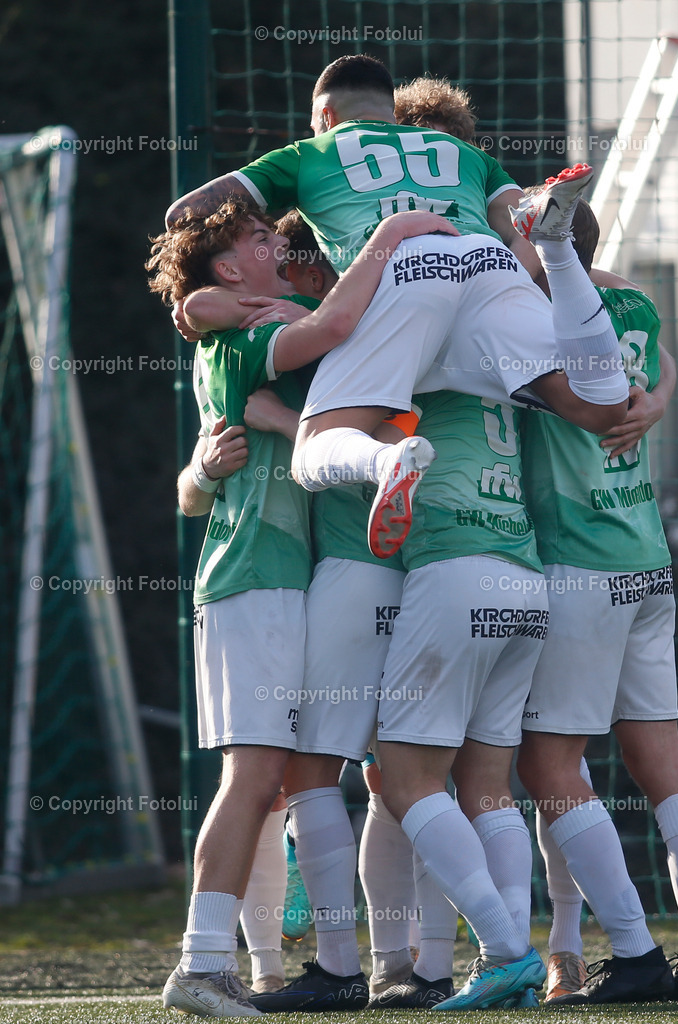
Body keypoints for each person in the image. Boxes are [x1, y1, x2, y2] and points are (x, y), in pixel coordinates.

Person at [146, 201, 456, 1017]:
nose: (273, 245)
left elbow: (290, 335)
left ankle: (313, 964)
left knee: (284, 779)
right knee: (257, 777)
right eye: (256, 242)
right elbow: (192, 484)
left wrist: (271, 399)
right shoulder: (238, 335)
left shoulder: (246, 325)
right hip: (252, 577)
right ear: (226, 269)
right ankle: (208, 964)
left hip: (294, 576)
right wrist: (394, 234)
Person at [165, 54, 630, 559]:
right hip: (486, 259)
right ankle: (559, 251)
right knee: (601, 409)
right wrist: (525, 264)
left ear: (326, 117)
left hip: (403, 269)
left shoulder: (308, 152)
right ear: (391, 110)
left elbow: (183, 213)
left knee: (314, 449)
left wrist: (210, 283)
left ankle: (388, 462)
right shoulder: (460, 150)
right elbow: (517, 217)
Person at [516, 196, 678, 1004]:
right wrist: (662, 393)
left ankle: (637, 951)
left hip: (579, 562)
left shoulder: (534, 317)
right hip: (646, 557)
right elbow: (662, 358)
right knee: (662, 759)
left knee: (548, 763)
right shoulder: (632, 302)